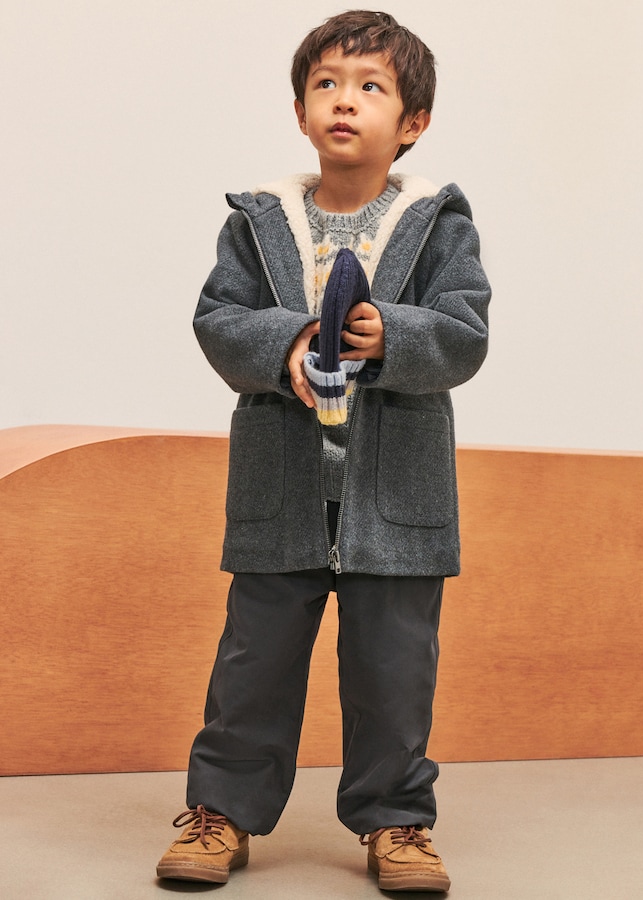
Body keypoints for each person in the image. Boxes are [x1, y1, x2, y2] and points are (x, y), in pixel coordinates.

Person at [156, 9, 491, 893]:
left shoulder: (440, 224)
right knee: (253, 667)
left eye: (370, 87)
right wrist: (290, 343)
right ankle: (219, 812)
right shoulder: (257, 221)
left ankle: (397, 822)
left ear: (412, 122)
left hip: (396, 499)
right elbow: (218, 320)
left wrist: (395, 336)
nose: (345, 101)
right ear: (301, 111)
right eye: (326, 84)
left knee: (394, 675)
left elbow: (464, 334)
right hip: (282, 491)